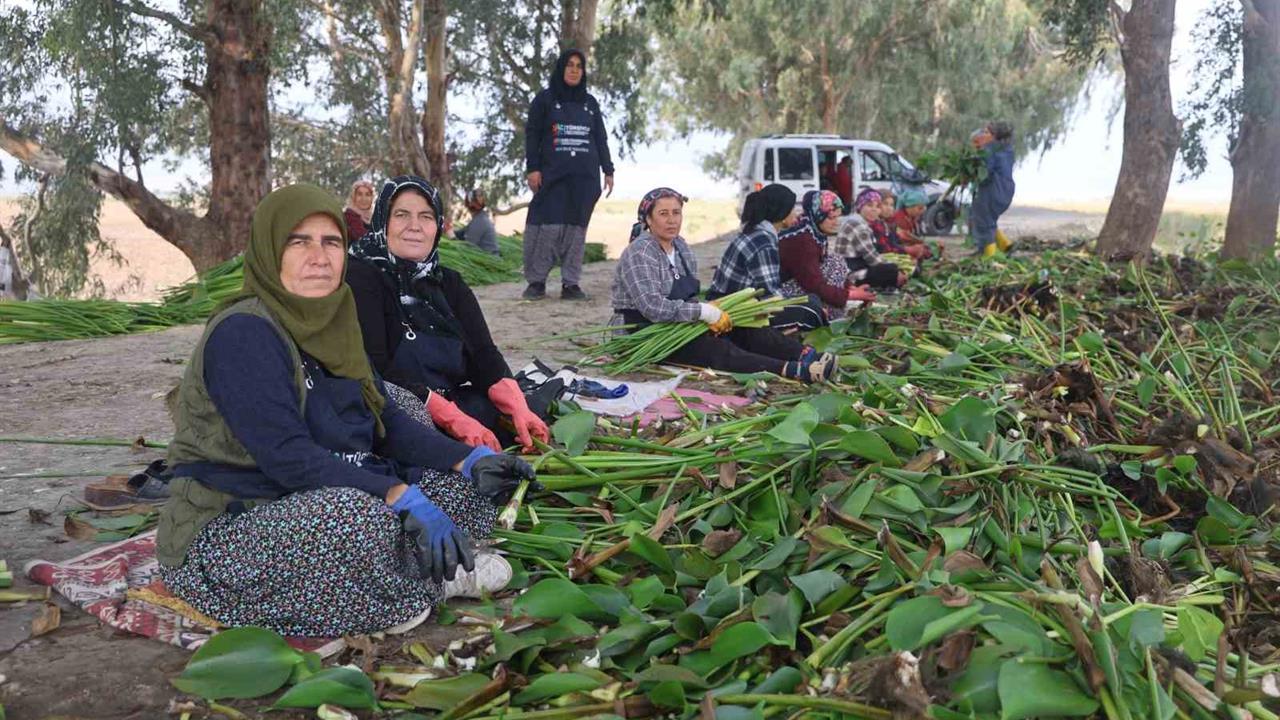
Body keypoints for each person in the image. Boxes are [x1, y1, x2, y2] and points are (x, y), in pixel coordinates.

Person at [156, 183, 537, 638]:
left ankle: (415, 565)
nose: (319, 256)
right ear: (268, 249)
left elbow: (385, 421)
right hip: (233, 522)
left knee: (467, 491)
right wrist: (396, 494)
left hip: (323, 488)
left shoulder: (337, 319)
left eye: (332, 242)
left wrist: (467, 459)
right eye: (299, 241)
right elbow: (289, 457)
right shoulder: (245, 333)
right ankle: (426, 581)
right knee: (357, 517)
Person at [348, 176, 550, 453]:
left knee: (511, 419)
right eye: (401, 215)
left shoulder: (448, 282)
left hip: (450, 401)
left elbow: (484, 354)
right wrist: (452, 418)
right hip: (393, 408)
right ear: (383, 220)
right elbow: (376, 371)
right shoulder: (362, 276)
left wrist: (518, 406)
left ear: (438, 225)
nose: (415, 227)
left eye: (426, 216)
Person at [611, 188, 836, 382]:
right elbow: (652, 307)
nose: (672, 220)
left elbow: (687, 295)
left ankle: (807, 356)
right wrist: (703, 312)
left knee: (746, 328)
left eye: (676, 213)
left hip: (680, 322)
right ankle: (793, 371)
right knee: (715, 349)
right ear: (648, 219)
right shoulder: (640, 252)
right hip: (645, 333)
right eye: (663, 214)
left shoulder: (680, 246)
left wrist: (710, 312)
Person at [521, 48, 615, 301]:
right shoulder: (544, 100)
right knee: (547, 229)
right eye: (569, 65)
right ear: (561, 68)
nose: (574, 70)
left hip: (584, 180)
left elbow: (601, 138)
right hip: (552, 177)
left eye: (579, 66)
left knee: (576, 231)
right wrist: (533, 168)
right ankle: (537, 282)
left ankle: (571, 284)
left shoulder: (590, 103)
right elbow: (532, 135)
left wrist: (608, 170)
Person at [708, 184, 826, 331]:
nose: (796, 214)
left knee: (812, 299)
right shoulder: (763, 242)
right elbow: (771, 296)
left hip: (739, 301)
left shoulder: (758, 230)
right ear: (781, 212)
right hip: (732, 312)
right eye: (792, 209)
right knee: (810, 312)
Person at [778, 190, 876, 319]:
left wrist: (849, 287)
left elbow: (819, 269)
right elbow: (813, 283)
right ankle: (831, 319)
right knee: (835, 263)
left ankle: (832, 316)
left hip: (802, 284)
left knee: (835, 261)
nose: (836, 222)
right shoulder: (802, 240)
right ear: (819, 215)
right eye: (831, 218)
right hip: (783, 293)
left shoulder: (812, 231)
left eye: (838, 217)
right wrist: (849, 295)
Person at [831, 191, 909, 291]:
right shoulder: (856, 224)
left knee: (891, 269)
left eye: (877, 207)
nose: (874, 210)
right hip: (850, 275)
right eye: (869, 205)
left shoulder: (862, 223)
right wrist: (897, 270)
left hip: (857, 267)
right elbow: (872, 259)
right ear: (860, 206)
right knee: (891, 271)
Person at [970, 121, 1016, 257]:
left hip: (993, 189)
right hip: (1006, 189)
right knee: (988, 219)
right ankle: (1005, 245)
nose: (983, 134)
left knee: (983, 221)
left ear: (994, 136)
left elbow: (984, 173)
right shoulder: (1007, 149)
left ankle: (988, 256)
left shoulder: (989, 150)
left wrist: (971, 175)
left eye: (986, 132)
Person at [455, 189, 500, 256]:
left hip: (489, 262)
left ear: (468, 205)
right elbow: (463, 232)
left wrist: (452, 238)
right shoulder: (480, 218)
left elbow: (466, 248)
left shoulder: (480, 221)